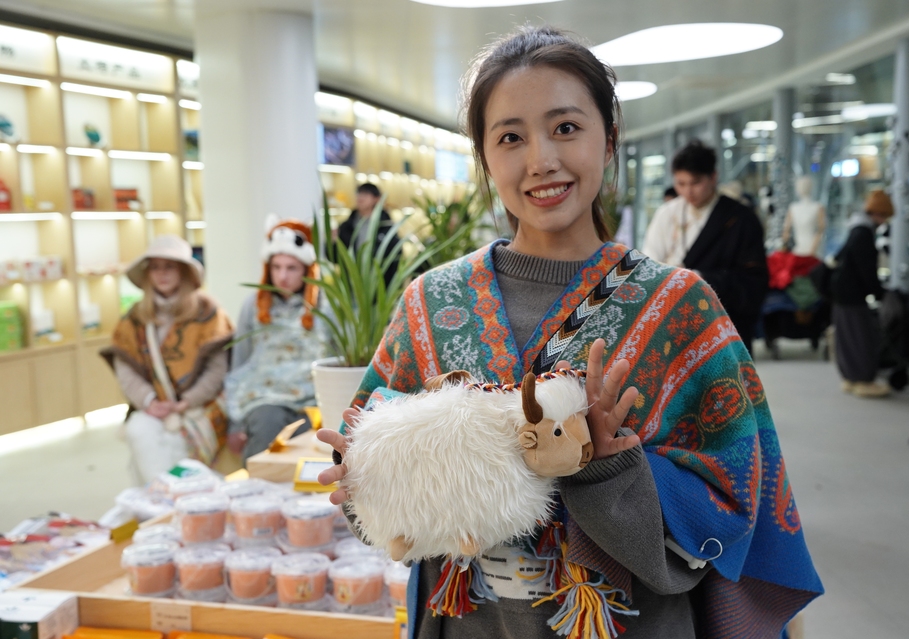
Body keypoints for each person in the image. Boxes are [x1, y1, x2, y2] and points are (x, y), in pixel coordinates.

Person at [318, 26, 821, 639]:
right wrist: (364, 477)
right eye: (510, 137)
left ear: (608, 142)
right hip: (474, 622)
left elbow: (736, 491)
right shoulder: (432, 301)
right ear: (484, 157)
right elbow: (375, 468)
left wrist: (611, 468)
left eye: (565, 128)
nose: (541, 161)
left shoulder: (680, 306)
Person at [101, 235, 233, 484]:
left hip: (201, 406)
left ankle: (189, 502)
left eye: (169, 266)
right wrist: (149, 401)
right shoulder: (135, 317)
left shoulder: (209, 313)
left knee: (181, 445)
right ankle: (162, 500)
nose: (162, 274)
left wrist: (187, 401)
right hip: (154, 406)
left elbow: (217, 369)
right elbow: (126, 368)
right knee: (139, 430)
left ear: (183, 271)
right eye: (156, 267)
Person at [224, 216, 332, 462]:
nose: (283, 276)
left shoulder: (327, 305)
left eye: (291, 268)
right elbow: (240, 362)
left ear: (306, 269)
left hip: (314, 396)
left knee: (313, 443)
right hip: (264, 396)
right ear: (267, 268)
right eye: (276, 267)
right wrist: (234, 424)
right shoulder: (252, 305)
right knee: (266, 426)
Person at [643, 141, 768, 353]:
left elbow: (753, 283)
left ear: (713, 177)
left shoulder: (740, 219)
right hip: (672, 323)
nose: (688, 192)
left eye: (695, 183)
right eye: (681, 184)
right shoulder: (667, 213)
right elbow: (649, 265)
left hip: (722, 326)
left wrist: (698, 278)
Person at [831, 190, 894, 398]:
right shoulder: (864, 234)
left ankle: (851, 376)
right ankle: (862, 378)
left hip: (843, 294)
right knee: (860, 338)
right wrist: (878, 292)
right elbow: (866, 269)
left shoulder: (855, 229)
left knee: (847, 337)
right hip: (853, 295)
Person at [336, 182, 400, 285]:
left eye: (366, 194)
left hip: (379, 285)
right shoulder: (347, 226)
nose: (361, 197)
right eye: (359, 193)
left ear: (377, 199)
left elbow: (395, 257)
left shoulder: (386, 225)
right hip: (353, 285)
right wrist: (333, 241)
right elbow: (335, 257)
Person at [782, 176, 826, 257]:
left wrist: (813, 249)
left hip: (813, 249)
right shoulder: (793, 208)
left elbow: (821, 231)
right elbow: (786, 232)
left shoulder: (817, 207)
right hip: (801, 249)